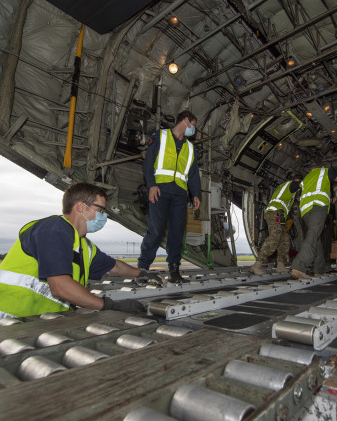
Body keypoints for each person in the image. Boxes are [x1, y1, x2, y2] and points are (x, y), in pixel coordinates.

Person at [0, 182, 157, 319]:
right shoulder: (54, 229)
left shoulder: (84, 246)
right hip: (10, 320)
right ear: (81, 207)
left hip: (38, 322)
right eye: (101, 210)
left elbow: (114, 266)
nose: (104, 216)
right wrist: (109, 306)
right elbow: (60, 286)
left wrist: (142, 273)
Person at [138, 110, 201, 283]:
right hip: (160, 191)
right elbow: (149, 162)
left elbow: (193, 174)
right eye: (193, 125)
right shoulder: (160, 136)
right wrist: (151, 185)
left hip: (180, 195)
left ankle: (174, 271)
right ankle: (142, 270)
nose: (193, 129)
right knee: (155, 230)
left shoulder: (190, 147)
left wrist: (196, 194)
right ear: (186, 121)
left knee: (176, 233)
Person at [291, 167, 337, 279]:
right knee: (314, 234)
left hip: (305, 211)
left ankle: (319, 269)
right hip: (318, 206)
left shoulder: (307, 178)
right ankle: (299, 266)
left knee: (316, 236)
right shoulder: (325, 171)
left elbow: (292, 187)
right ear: (321, 167)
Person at [250, 174, 303, 275]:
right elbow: (301, 184)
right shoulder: (291, 185)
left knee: (285, 240)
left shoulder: (288, 190)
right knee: (274, 238)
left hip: (278, 214)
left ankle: (280, 265)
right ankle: (257, 265)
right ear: (296, 180)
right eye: (298, 181)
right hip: (275, 213)